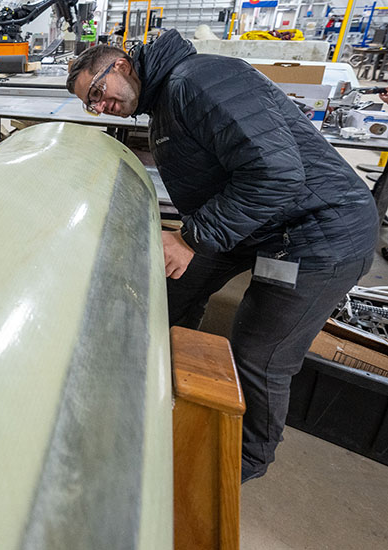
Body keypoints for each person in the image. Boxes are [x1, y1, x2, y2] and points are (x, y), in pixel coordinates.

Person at [66, 29, 379, 482]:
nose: (99, 106)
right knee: (173, 286)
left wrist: (192, 239)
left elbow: (277, 174)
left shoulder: (196, 81)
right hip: (255, 224)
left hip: (319, 229)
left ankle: (241, 463)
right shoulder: (167, 102)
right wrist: (188, 242)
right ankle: (166, 388)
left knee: (259, 353)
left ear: (121, 65)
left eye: (98, 92)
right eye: (90, 104)